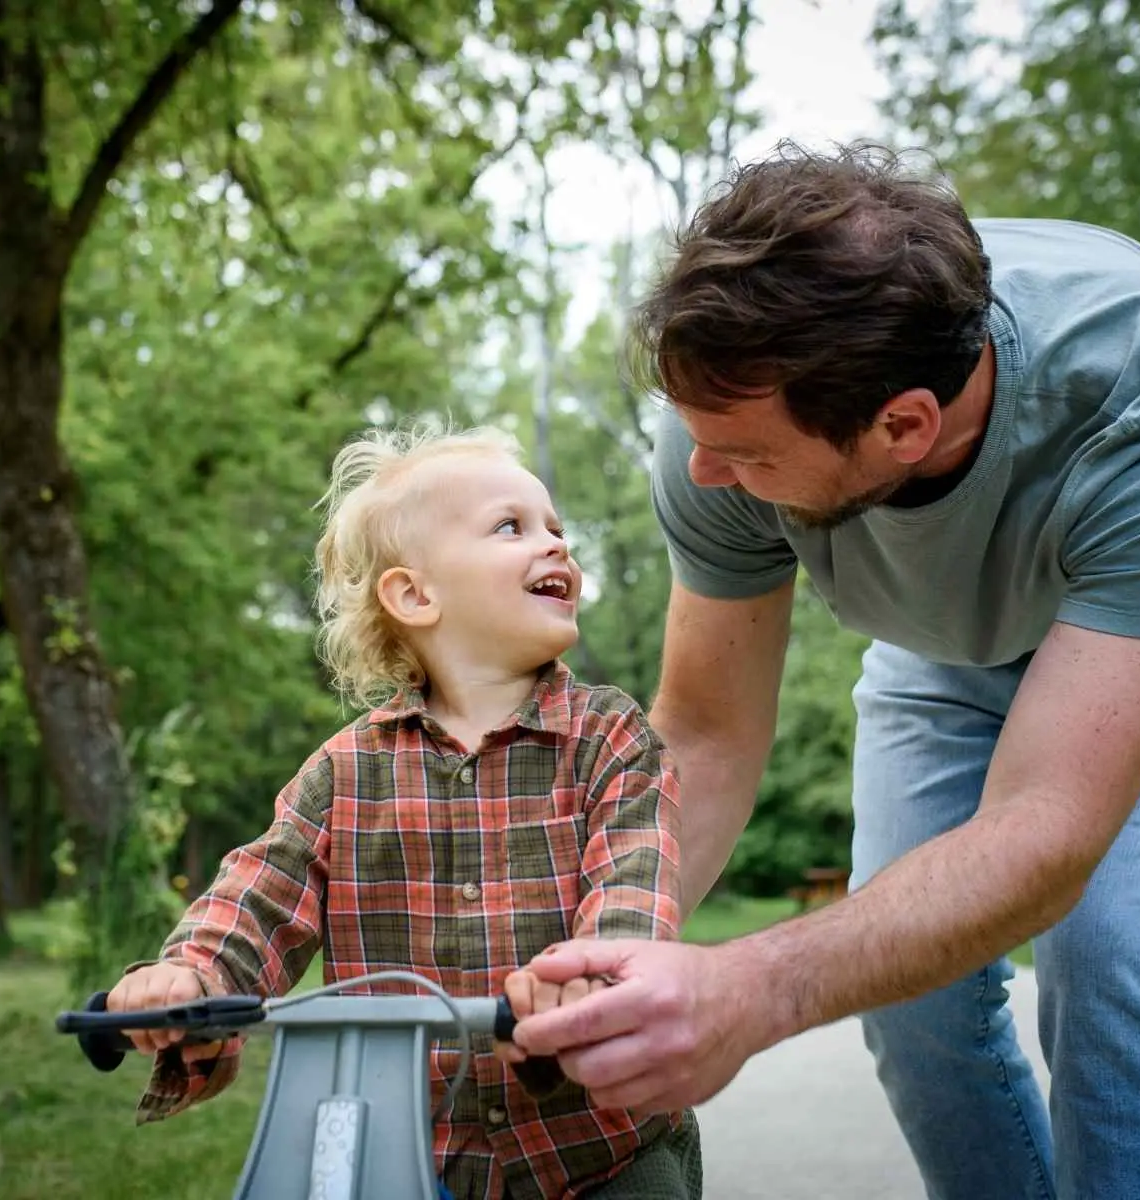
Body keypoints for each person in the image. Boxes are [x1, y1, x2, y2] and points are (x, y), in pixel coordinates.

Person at [508, 140, 1140, 1200]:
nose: (705, 475)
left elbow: (1047, 825)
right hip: (939, 643)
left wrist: (751, 988)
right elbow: (709, 736)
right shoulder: (723, 418)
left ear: (904, 424)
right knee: (909, 993)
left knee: (1105, 950)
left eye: (749, 458)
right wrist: (594, 946)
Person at [105, 424, 702, 1200]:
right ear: (415, 595)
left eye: (557, 528)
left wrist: (596, 980)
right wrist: (189, 977)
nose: (558, 546)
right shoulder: (344, 774)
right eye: (511, 527)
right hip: (407, 1160)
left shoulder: (609, 738)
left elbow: (634, 885)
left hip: (600, 1152)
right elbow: (260, 891)